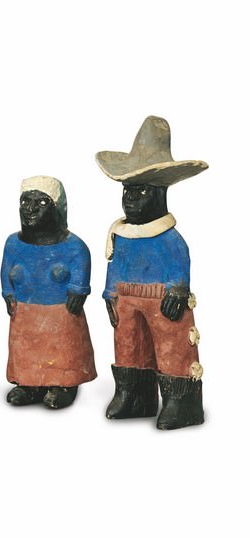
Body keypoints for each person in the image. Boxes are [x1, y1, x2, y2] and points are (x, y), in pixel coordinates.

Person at [97, 115, 207, 430]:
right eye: (127, 191)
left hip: (163, 299)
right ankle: (133, 394)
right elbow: (114, 264)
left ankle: (180, 402)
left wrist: (178, 289)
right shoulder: (121, 233)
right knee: (128, 345)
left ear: (159, 193)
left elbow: (180, 263)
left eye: (141, 191)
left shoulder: (170, 239)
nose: (131, 199)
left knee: (173, 347)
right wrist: (110, 293)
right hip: (126, 299)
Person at [0, 176, 95, 409]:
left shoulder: (74, 246)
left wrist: (78, 290)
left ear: (56, 209)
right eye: (25, 201)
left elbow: (81, 264)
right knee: (25, 346)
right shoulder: (13, 244)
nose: (30, 208)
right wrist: (8, 292)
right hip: (25, 311)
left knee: (63, 346)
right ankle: (29, 382)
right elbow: (4, 270)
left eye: (41, 203)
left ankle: (64, 383)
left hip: (61, 312)